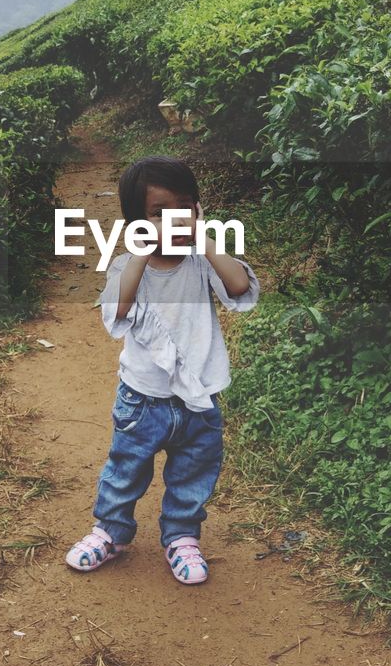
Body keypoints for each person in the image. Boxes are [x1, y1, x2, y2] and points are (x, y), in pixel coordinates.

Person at [65, 156, 260, 585]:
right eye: (158, 213)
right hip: (142, 399)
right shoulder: (126, 267)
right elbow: (117, 310)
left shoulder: (200, 260)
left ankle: (181, 537)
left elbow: (240, 287)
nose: (173, 220)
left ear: (197, 209)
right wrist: (139, 252)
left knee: (193, 473)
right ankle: (111, 532)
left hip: (199, 398)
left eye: (184, 206)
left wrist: (205, 238)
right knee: (126, 469)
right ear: (136, 222)